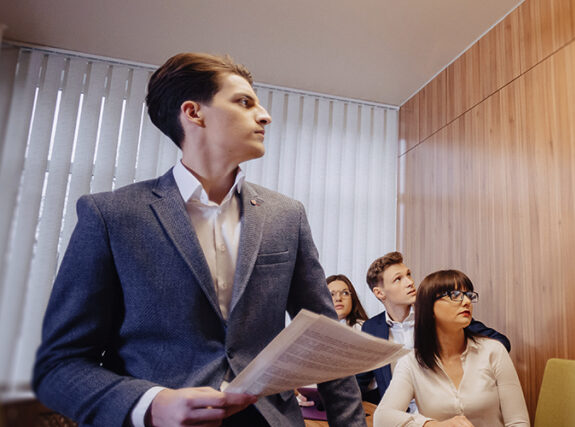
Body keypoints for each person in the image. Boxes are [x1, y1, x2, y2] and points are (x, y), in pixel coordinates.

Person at [32, 53, 364, 427]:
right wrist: (153, 404)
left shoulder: (287, 215)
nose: (265, 115)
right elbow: (59, 367)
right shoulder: (111, 215)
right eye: (244, 101)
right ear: (194, 113)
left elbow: (328, 340)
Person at [374, 270, 529, 427]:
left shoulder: (493, 351)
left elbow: (518, 422)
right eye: (455, 295)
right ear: (429, 308)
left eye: (469, 295)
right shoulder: (411, 362)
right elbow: (382, 418)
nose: (467, 301)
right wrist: (432, 425)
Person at [356, 252, 510, 404]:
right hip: (399, 414)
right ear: (379, 293)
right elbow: (362, 378)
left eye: (408, 274)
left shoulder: (438, 313)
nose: (409, 282)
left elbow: (501, 342)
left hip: (442, 410)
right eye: (398, 279)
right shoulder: (372, 328)